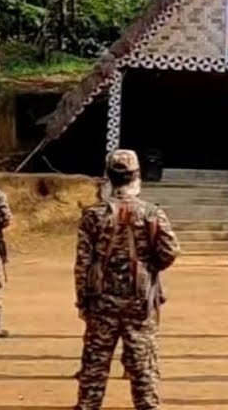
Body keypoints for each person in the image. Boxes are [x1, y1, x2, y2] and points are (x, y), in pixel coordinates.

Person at [74, 149, 180, 410]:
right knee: (143, 366)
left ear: (109, 176)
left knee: (95, 366)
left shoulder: (93, 215)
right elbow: (170, 251)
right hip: (139, 302)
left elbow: (82, 265)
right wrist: (150, 267)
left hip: (101, 303)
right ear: (137, 176)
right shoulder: (151, 213)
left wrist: (82, 301)